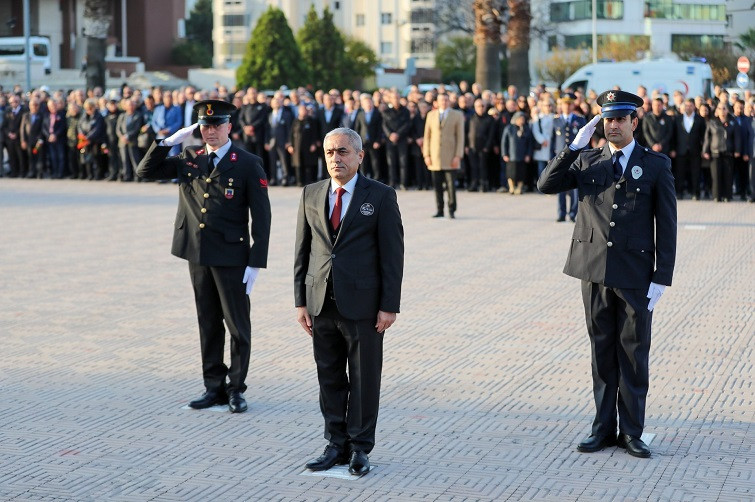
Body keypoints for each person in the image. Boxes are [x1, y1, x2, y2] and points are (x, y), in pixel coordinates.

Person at [538, 90, 677, 459]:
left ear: (635, 122)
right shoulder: (586, 160)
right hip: (594, 270)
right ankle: (602, 428)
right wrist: (572, 147)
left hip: (634, 274)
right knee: (601, 352)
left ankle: (632, 432)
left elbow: (667, 223)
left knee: (633, 354)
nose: (612, 125)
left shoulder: (656, 165)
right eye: (607, 119)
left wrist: (662, 276)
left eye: (619, 119)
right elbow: (545, 184)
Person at [136, 99, 272, 414]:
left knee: (237, 324)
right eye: (205, 126)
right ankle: (214, 387)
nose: (210, 131)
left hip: (232, 255)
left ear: (229, 127)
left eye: (216, 125)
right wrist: (167, 143)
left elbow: (261, 217)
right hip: (197, 253)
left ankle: (236, 388)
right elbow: (144, 171)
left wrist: (256, 260)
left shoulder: (247, 162)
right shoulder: (189, 157)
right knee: (208, 322)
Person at [294, 127, 404, 477]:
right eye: (329, 152)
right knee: (329, 377)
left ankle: (359, 447)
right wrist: (300, 301)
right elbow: (303, 250)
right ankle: (335, 444)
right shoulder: (312, 193)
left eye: (342, 151)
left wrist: (389, 305)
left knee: (363, 378)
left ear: (359, 156)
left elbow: (392, 255)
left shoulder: (381, 196)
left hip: (364, 305)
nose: (335, 158)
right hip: (320, 301)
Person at [423, 93, 464, 218]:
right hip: (435, 156)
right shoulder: (431, 115)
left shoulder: (457, 115)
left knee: (451, 185)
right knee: (437, 185)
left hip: (450, 156)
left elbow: (460, 137)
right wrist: (426, 155)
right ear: (437, 102)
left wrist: (458, 155)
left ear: (449, 101)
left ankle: (452, 209)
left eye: (446, 100)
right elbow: (427, 136)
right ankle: (440, 209)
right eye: (441, 100)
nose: (444, 102)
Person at [551, 94, 585, 221]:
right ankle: (561, 213)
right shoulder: (556, 120)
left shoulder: (580, 120)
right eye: (564, 103)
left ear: (573, 105)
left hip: (576, 158)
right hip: (560, 158)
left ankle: (573, 213)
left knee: (574, 187)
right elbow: (553, 140)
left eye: (569, 103)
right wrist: (551, 158)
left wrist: (584, 157)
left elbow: (584, 140)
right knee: (560, 186)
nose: (567, 106)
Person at [703, 102, 741, 202]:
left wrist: (737, 150)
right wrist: (705, 151)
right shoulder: (712, 122)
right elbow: (707, 138)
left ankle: (727, 196)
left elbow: (737, 137)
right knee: (716, 176)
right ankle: (716, 196)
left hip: (728, 152)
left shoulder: (733, 122)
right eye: (720, 108)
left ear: (727, 110)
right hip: (715, 152)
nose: (722, 111)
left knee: (728, 175)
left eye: (724, 108)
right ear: (717, 111)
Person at [670, 98, 705, 199]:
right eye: (686, 105)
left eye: (690, 105)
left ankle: (696, 193)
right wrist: (673, 149)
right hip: (681, 150)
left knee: (696, 173)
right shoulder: (678, 119)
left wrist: (703, 149)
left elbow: (703, 136)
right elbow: (674, 135)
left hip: (695, 150)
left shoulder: (700, 119)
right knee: (680, 173)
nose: (688, 107)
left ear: (694, 106)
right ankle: (679, 192)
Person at [501, 111, 533, 195]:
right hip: (511, 155)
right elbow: (504, 142)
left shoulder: (526, 129)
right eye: (520, 119)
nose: (521, 120)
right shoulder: (509, 128)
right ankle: (511, 188)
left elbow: (530, 143)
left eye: (523, 119)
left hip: (522, 156)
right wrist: (504, 154)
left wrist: (528, 155)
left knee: (521, 173)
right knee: (511, 173)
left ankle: (519, 188)